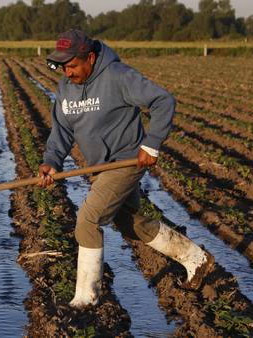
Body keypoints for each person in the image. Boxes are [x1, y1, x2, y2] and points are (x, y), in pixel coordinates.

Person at [38, 29, 215, 308]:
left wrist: (151, 143)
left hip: (125, 161)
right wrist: (51, 162)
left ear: (91, 58)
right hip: (99, 167)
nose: (67, 72)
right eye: (63, 66)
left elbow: (163, 100)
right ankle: (195, 257)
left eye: (72, 65)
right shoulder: (65, 88)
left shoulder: (118, 76)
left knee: (88, 220)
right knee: (129, 223)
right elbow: (61, 132)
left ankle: (86, 299)